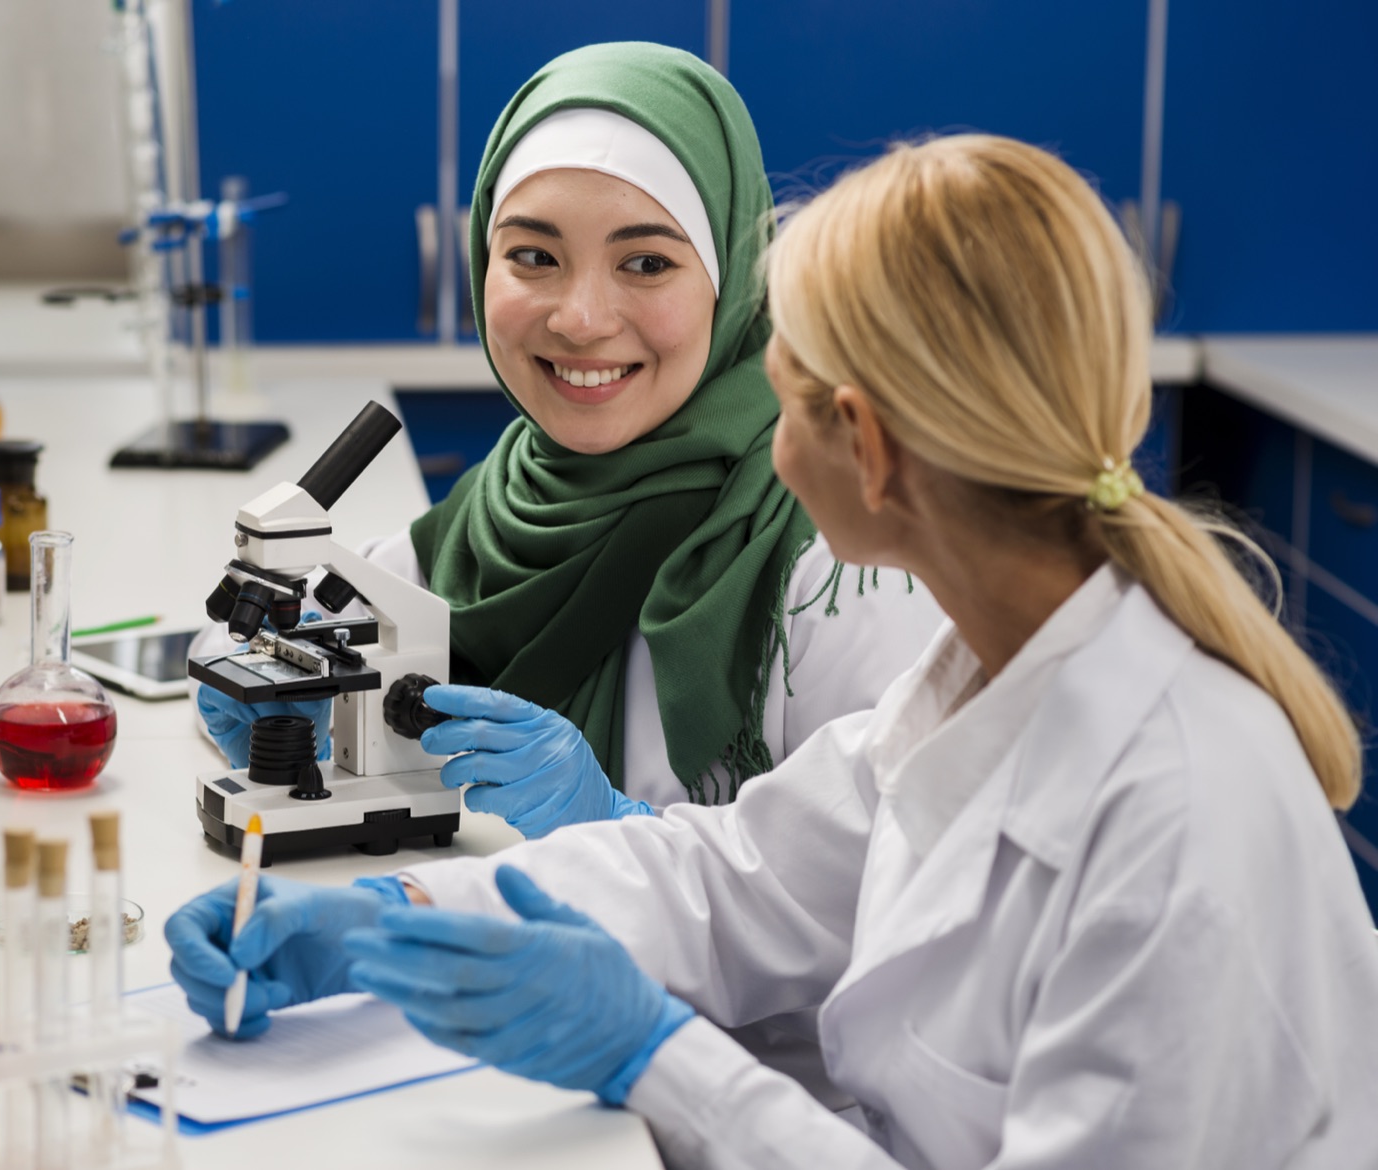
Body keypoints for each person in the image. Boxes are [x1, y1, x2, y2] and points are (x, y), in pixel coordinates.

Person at [168, 133, 1378, 1166]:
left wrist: (654, 1056)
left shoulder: (1176, 825)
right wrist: (388, 916)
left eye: (777, 379)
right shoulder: (982, 676)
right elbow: (739, 876)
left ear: (862, 443)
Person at [192, 41, 942, 838]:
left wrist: (626, 825)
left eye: (647, 262)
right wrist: (270, 691)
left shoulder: (842, 551)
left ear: (735, 277)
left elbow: (893, 866)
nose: (580, 319)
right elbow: (304, 613)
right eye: (533, 257)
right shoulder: (508, 497)